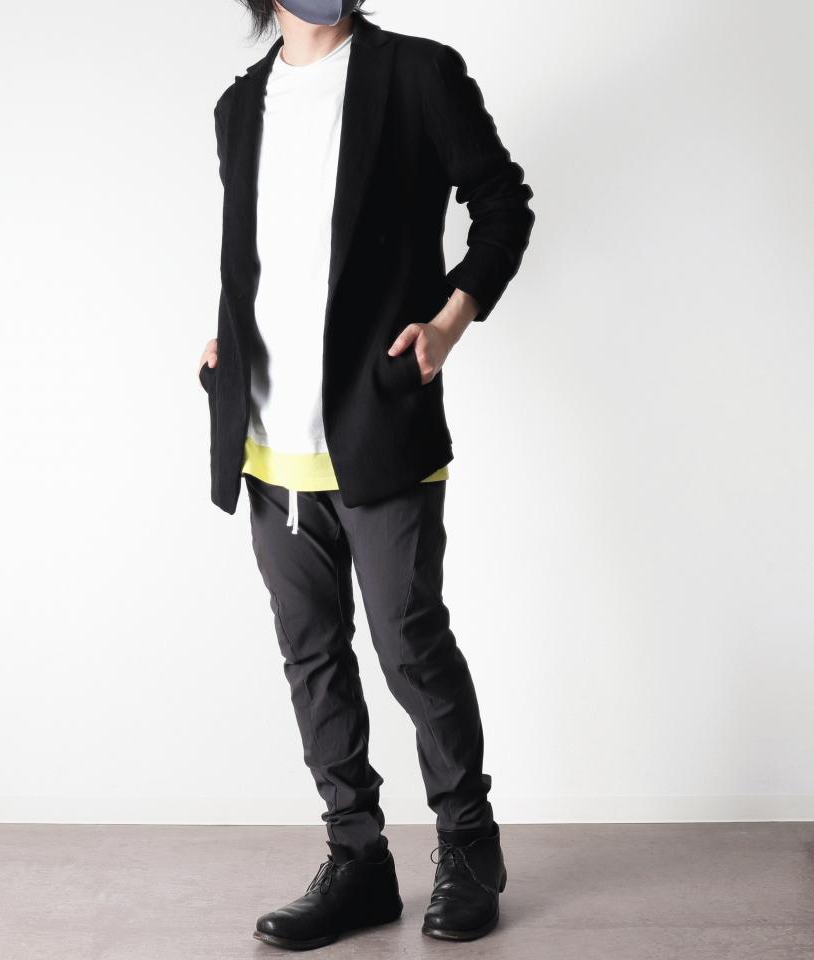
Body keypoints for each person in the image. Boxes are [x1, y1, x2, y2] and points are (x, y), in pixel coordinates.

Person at [197, 0, 534, 949]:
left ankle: (469, 847)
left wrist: (449, 323)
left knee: (409, 644)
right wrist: (227, 341)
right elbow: (266, 257)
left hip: (379, 425)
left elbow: (503, 204)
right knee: (313, 659)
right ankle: (358, 861)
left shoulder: (418, 74)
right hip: (267, 439)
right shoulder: (239, 106)